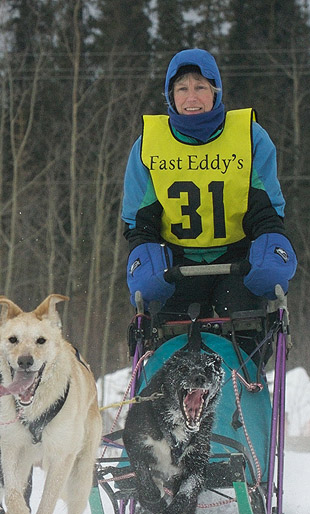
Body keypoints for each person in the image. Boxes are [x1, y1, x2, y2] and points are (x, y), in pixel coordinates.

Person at [121, 48, 297, 324]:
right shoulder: (148, 146)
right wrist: (144, 257)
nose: (191, 98)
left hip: (238, 261)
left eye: (200, 87)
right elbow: (140, 222)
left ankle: (243, 367)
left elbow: (266, 210)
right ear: (170, 96)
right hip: (175, 265)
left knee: (247, 337)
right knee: (168, 348)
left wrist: (270, 247)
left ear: (215, 91)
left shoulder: (249, 138)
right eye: (182, 89)